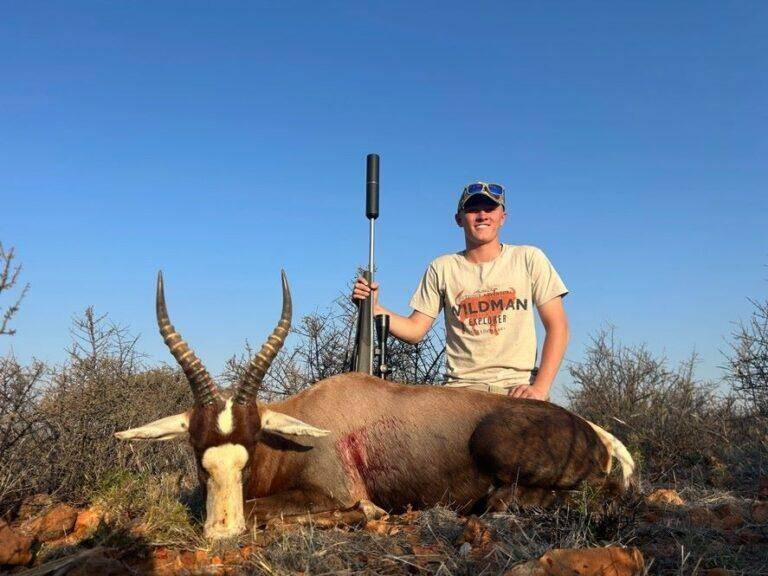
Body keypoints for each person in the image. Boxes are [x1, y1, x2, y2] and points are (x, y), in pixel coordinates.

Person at [352, 181, 569, 400]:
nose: (482, 215)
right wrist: (374, 308)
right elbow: (415, 330)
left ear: (503, 217)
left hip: (517, 391)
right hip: (459, 394)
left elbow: (557, 326)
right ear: (459, 219)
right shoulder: (442, 267)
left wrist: (540, 388)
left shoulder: (529, 258)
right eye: (473, 210)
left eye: (490, 209)